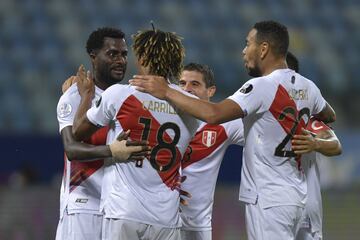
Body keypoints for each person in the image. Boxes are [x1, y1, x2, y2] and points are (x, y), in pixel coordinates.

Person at [129, 20, 336, 240]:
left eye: (248, 44)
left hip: (268, 197)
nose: (244, 51)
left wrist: (167, 91)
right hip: (296, 196)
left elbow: (214, 114)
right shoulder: (308, 86)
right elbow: (329, 114)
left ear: (263, 48)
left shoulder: (262, 86)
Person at [72, 27, 200, 240]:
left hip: (124, 211)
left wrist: (86, 95)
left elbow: (78, 131)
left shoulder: (120, 94)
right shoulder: (193, 106)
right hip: (167, 218)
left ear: (142, 57)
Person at [55, 27, 149, 240]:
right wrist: (112, 151)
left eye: (124, 54)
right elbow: (71, 149)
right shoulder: (73, 96)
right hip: (83, 204)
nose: (120, 60)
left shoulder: (127, 97)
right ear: (93, 57)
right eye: (112, 54)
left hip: (119, 206)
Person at [177, 63, 244, 240]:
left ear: (211, 91)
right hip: (161, 218)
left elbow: (265, 135)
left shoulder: (223, 122)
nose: (187, 89)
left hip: (197, 225)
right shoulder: (163, 118)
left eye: (195, 84)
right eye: (182, 83)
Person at [286, 53, 342, 240]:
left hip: (304, 213)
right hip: (272, 205)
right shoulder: (260, 115)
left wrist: (315, 143)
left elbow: (335, 145)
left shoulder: (306, 118)